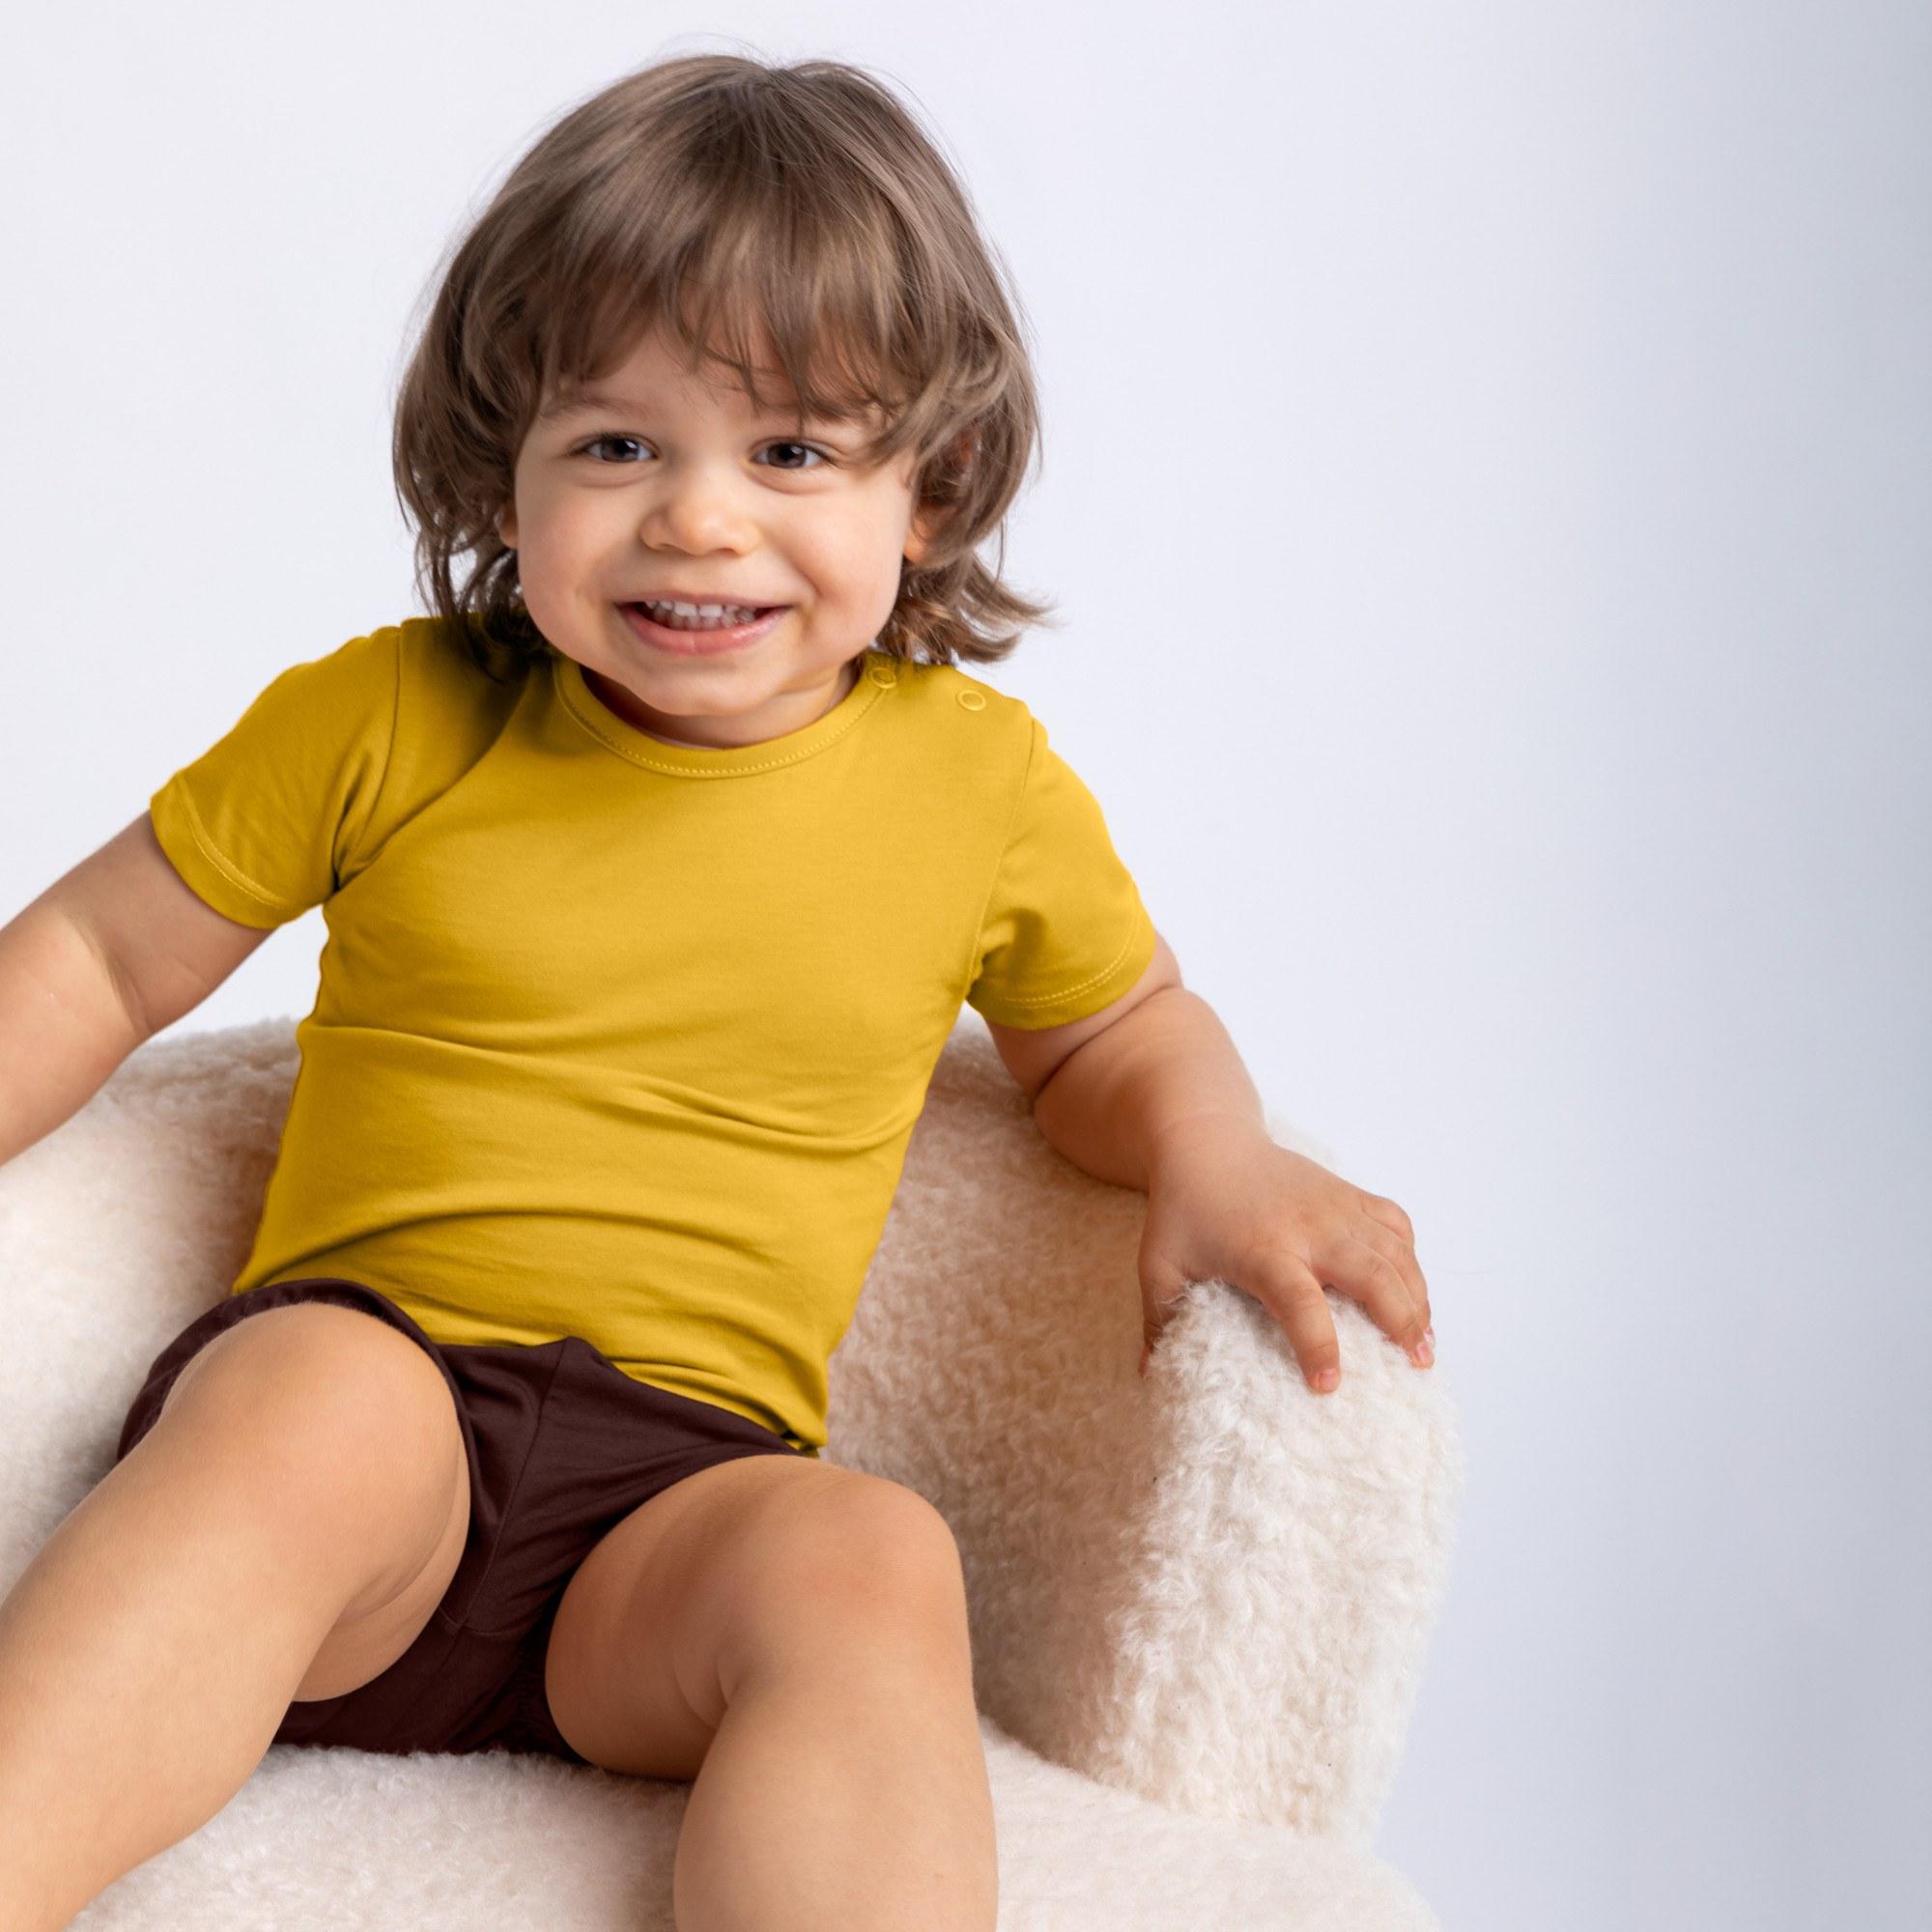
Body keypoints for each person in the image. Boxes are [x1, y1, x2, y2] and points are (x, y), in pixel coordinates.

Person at [0, 50, 1435, 1932]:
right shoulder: (394, 712)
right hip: (370, 1475)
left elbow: (1109, 1038)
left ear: (927, 491)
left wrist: (1213, 1148)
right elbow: (108, 952)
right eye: (618, 445)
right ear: (499, 467)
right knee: (314, 1408)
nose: (697, 518)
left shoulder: (976, 786)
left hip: (662, 1540)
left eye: (792, 452)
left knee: (865, 1554)